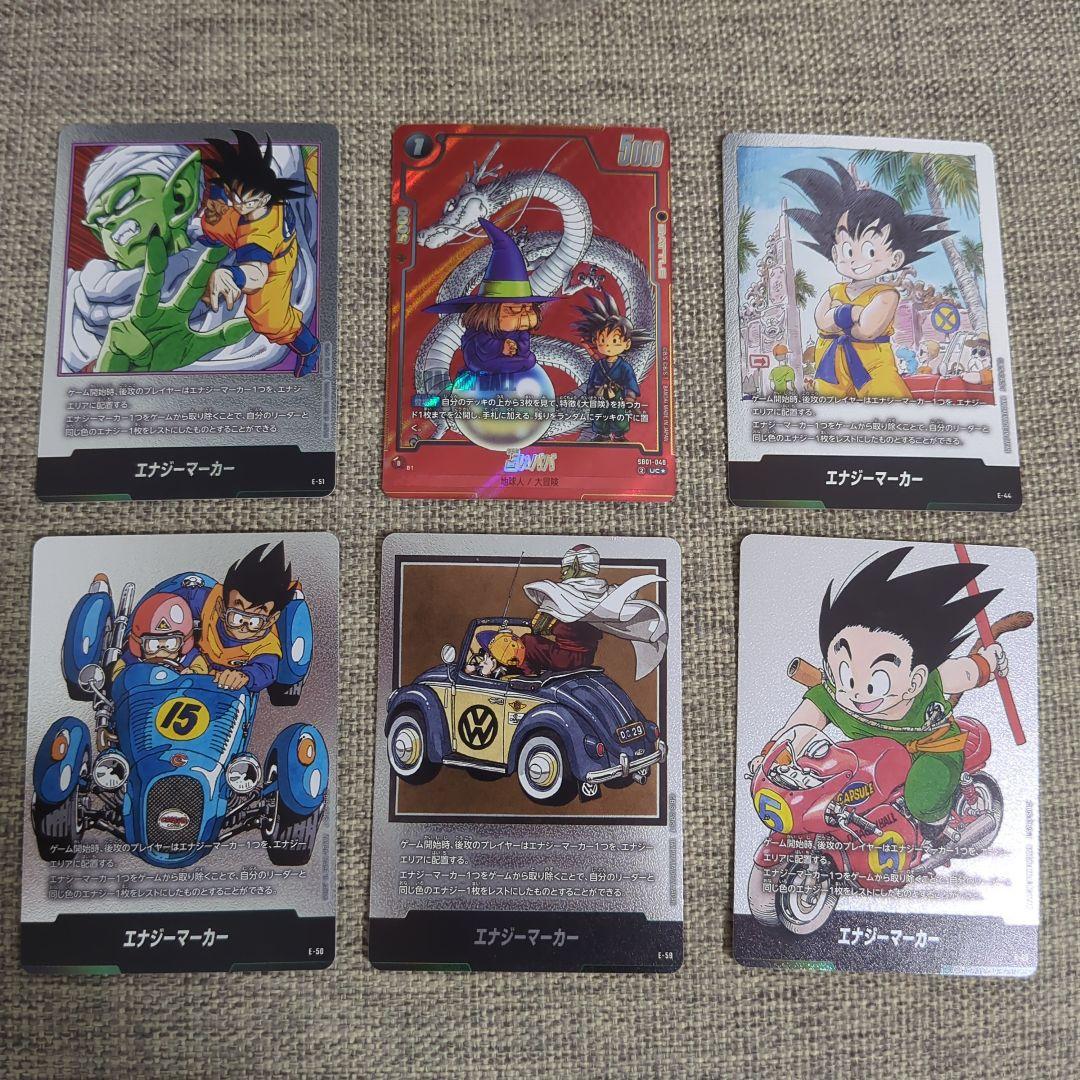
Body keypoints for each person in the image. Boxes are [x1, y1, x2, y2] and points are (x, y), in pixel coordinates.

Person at [750, 547, 1009, 837]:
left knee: (923, 798)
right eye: (846, 673)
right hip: (874, 758)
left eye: (877, 681)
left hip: (932, 750)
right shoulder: (832, 695)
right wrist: (770, 757)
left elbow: (964, 673)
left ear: (915, 680)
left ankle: (935, 829)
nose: (857, 692)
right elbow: (800, 727)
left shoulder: (931, 681)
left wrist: (989, 662)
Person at [785, 159, 956, 400]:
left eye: (870, 251)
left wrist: (839, 313)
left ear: (895, 259)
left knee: (890, 408)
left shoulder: (886, 294)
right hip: (831, 372)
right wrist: (854, 313)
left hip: (874, 370)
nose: (855, 260)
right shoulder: (834, 291)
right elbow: (821, 322)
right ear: (835, 253)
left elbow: (866, 330)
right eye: (847, 250)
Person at [200, 130, 321, 376]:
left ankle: (309, 348)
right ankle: (212, 237)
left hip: (276, 259)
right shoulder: (244, 197)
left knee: (268, 319)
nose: (239, 204)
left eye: (247, 201)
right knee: (212, 220)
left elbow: (257, 275)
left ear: (263, 199)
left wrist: (231, 275)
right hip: (244, 228)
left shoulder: (260, 235)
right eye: (236, 197)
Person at [485, 544, 668, 679]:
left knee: (527, 641)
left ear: (575, 567)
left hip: (565, 659)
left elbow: (538, 628)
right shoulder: (603, 597)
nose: (562, 573)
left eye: (565, 569)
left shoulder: (561, 596)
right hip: (586, 659)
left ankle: (529, 676)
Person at [177, 542, 294, 692]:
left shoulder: (266, 645)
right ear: (221, 607)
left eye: (253, 621)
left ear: (271, 620)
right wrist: (192, 657)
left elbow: (265, 671)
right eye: (238, 618)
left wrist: (244, 677)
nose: (243, 627)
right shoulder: (205, 601)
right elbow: (168, 607)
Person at [574, 291, 649, 441]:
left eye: (614, 341)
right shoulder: (598, 365)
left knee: (619, 418)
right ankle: (602, 434)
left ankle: (619, 435)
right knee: (600, 416)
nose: (607, 345)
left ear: (626, 344)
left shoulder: (624, 367)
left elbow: (630, 382)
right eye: (602, 340)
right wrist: (592, 393)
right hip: (600, 397)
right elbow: (591, 382)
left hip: (617, 398)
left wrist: (630, 398)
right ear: (596, 341)